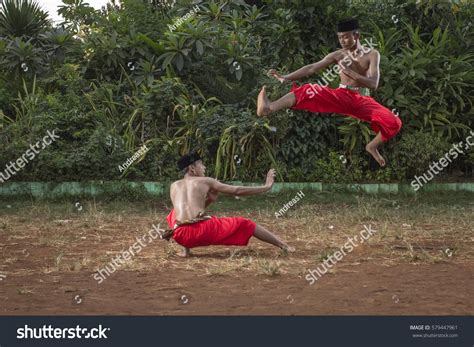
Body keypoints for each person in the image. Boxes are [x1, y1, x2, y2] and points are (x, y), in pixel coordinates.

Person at [257, 18, 402, 167]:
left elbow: (374, 84)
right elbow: (312, 68)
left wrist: (352, 73)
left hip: (362, 100)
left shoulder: (372, 54)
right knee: (309, 90)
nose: (342, 41)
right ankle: (269, 107)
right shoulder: (338, 55)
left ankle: (371, 146)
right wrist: (285, 77)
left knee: (394, 122)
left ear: (356, 35)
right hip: (343, 96)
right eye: (340, 37)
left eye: (346, 36)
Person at [163, 152, 294, 257]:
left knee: (174, 213)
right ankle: (284, 246)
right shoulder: (206, 181)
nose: (204, 167)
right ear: (192, 168)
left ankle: (185, 251)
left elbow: (189, 214)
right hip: (202, 232)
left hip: (180, 235)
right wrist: (266, 187)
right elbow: (236, 190)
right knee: (246, 224)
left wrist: (210, 200)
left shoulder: (173, 186)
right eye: (201, 164)